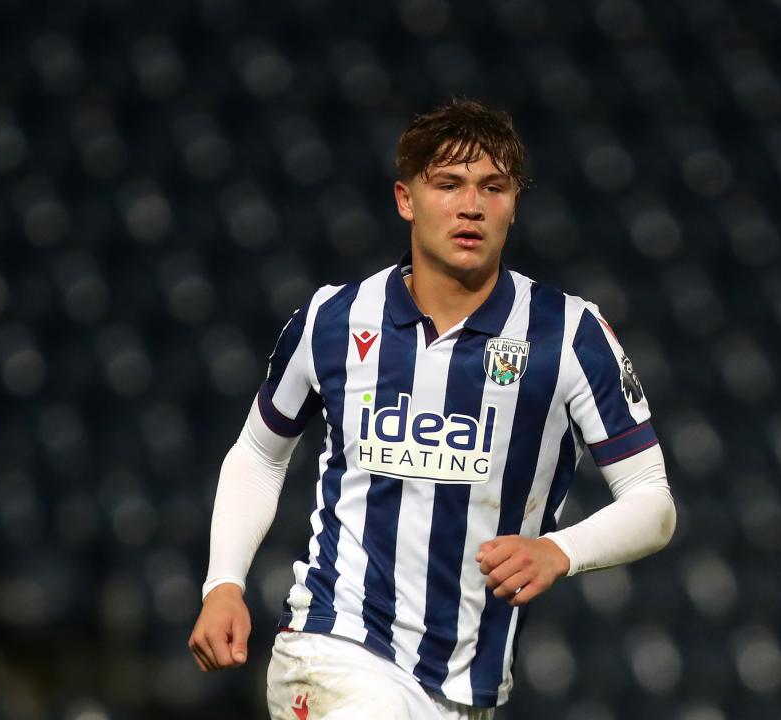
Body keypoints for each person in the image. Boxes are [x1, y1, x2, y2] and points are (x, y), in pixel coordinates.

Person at [188, 99, 677, 719]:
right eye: (447, 184)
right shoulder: (333, 320)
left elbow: (652, 502)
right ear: (406, 199)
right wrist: (224, 581)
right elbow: (259, 454)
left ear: (514, 204)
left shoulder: (569, 335)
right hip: (335, 649)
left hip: (467, 689)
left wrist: (560, 551)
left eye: (492, 188)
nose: (470, 205)